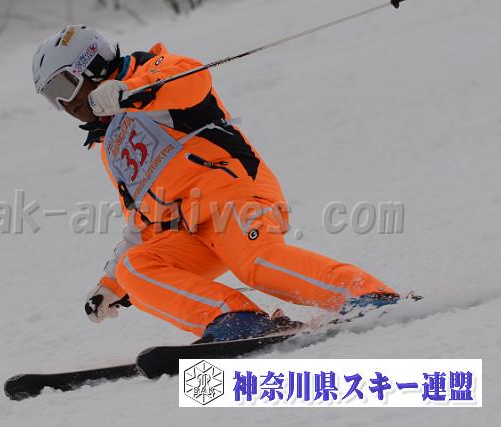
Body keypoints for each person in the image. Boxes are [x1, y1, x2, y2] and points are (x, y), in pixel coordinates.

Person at [32, 25, 399, 342]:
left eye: (64, 86)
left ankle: (366, 295)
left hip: (233, 195)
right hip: (191, 232)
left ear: (92, 65)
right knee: (134, 267)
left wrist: (129, 91)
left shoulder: (153, 71)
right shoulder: (110, 145)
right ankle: (235, 318)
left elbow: (193, 79)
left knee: (255, 265)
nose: (65, 105)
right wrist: (111, 284)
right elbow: (142, 218)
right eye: (52, 99)